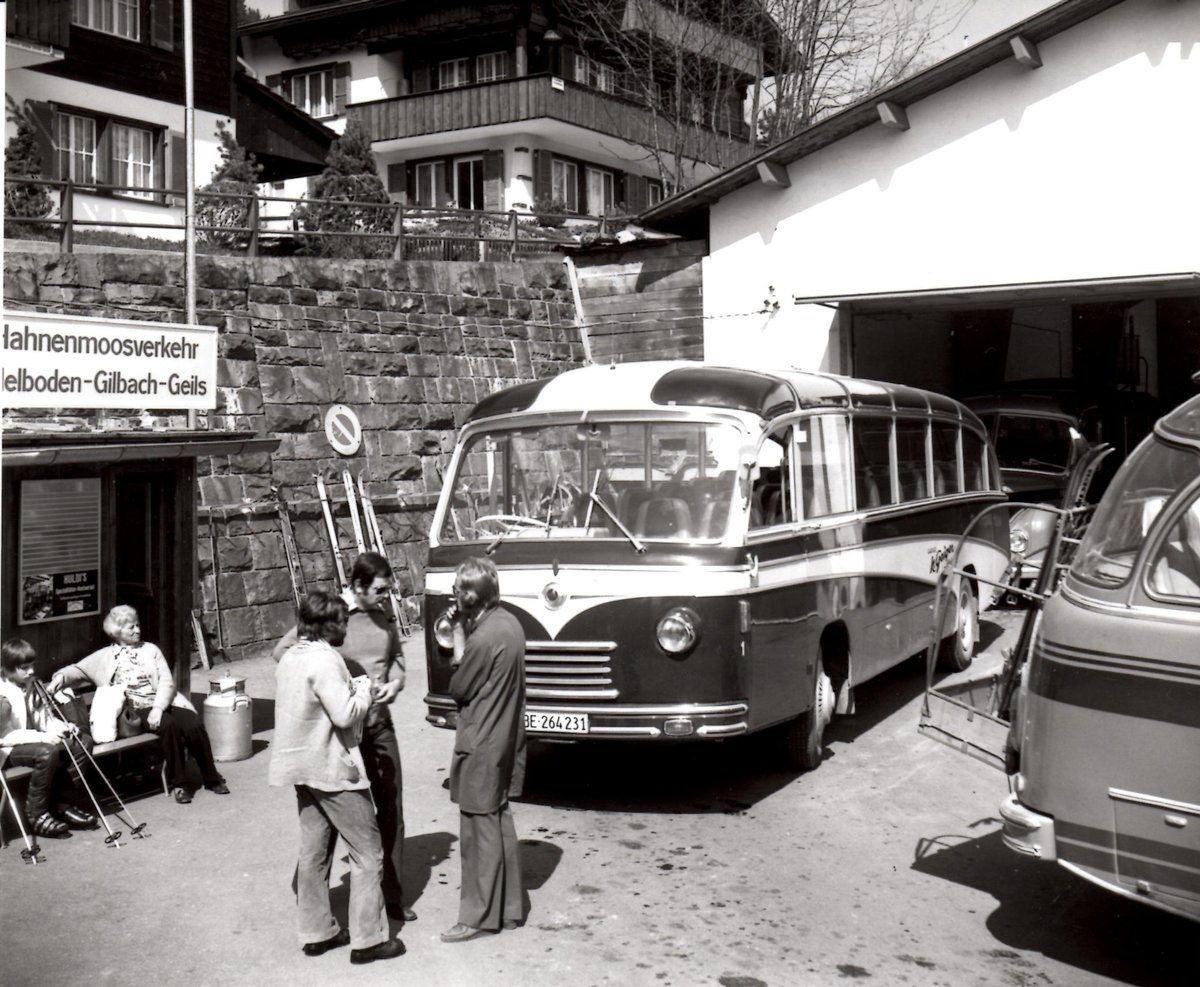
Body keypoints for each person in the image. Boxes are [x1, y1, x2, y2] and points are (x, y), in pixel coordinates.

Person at [273, 552, 415, 923]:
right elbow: (284, 652)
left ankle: (391, 896)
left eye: (387, 590)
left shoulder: (384, 616)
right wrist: (338, 685)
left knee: (391, 810)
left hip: (378, 725)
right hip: (341, 733)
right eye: (379, 590)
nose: (386, 596)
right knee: (336, 816)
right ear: (358, 586)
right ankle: (316, 899)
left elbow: (397, 659)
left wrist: (395, 683)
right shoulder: (332, 616)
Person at [50, 605, 228, 804]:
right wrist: (60, 677)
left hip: (163, 702)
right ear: (117, 632)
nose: (137, 630)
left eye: (138, 625)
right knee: (168, 726)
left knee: (193, 723)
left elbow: (166, 681)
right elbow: (77, 670)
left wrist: (158, 708)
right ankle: (179, 783)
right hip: (135, 709)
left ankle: (211, 777)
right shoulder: (106, 656)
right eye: (131, 627)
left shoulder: (151, 650)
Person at [440, 556, 527, 944]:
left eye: (459, 590)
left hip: (480, 741)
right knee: (498, 820)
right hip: (503, 737)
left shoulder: (482, 638)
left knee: (477, 832)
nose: (455, 595)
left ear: (473, 596)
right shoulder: (510, 624)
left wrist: (459, 633)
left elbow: (459, 687)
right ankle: (508, 909)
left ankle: (477, 917)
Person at [0, 638, 99, 838]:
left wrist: (63, 728)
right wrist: (43, 737)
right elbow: (5, 735)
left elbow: (44, 719)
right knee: (47, 752)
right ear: (8, 668)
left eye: (32, 665)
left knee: (82, 742)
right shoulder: (3, 692)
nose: (31, 671)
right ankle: (37, 815)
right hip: (7, 748)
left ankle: (64, 805)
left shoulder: (30, 685)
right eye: (24, 668)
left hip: (34, 741)